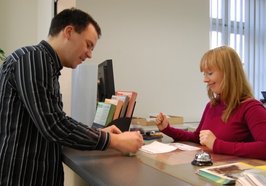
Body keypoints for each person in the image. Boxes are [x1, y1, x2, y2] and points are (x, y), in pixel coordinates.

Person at [0, 8, 143, 186]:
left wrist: (97, 133)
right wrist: (113, 141)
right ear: (69, 32)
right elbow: (54, 125)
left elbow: (55, 120)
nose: (90, 54)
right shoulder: (33, 59)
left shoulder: (48, 66)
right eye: (88, 44)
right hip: (23, 177)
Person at [156, 46, 266, 160]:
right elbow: (197, 137)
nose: (205, 80)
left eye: (210, 73)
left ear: (228, 73)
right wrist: (167, 129)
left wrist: (217, 144)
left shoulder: (252, 108)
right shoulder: (211, 106)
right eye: (204, 74)